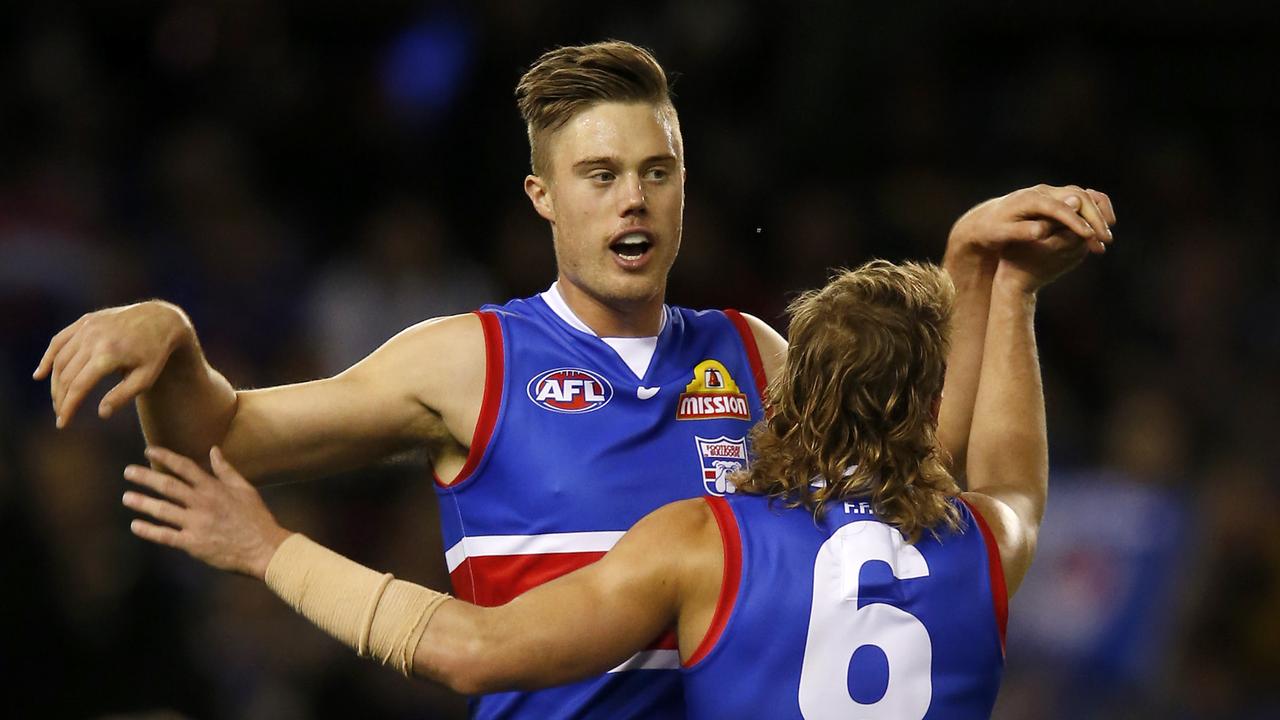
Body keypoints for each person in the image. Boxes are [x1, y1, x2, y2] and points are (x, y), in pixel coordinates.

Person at [34, 40, 1114, 719]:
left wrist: (980, 283)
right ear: (542, 196)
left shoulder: (751, 353)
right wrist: (174, 341)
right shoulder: (468, 361)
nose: (631, 202)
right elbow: (215, 441)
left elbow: (913, 499)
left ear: (686, 185)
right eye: (598, 176)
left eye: (656, 171)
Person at [122, 241, 1091, 719]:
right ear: (931, 415)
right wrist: (1004, 291)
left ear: (791, 396)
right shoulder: (989, 541)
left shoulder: (707, 541)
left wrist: (267, 550)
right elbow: (1009, 472)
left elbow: (467, 648)